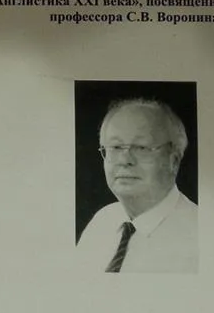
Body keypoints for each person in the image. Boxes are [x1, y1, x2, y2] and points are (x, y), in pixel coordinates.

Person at [77, 97, 198, 273]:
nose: (124, 160)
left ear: (174, 160)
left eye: (141, 147)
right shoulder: (102, 221)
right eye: (116, 147)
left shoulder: (198, 235)